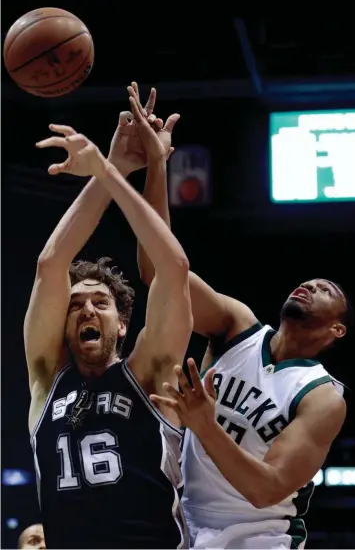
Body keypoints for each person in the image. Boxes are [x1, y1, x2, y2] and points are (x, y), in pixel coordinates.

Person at [124, 88, 352, 549]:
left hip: (260, 537)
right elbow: (159, 271)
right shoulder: (237, 325)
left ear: (336, 330)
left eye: (326, 290)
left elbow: (266, 488)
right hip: (185, 523)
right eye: (307, 281)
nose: (309, 286)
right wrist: (157, 165)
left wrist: (205, 423)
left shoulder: (323, 397)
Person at [24, 90, 192, 549]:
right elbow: (50, 264)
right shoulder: (45, 381)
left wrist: (110, 170)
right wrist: (111, 164)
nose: (86, 309)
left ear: (122, 326)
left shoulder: (150, 375)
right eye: (76, 305)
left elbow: (173, 268)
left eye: (100, 302)